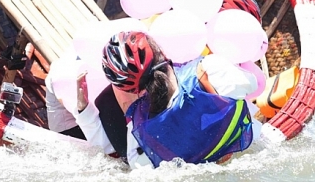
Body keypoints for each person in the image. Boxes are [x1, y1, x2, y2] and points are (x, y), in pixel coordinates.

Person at [73, 31, 258, 169]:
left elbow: (112, 153)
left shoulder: (140, 132)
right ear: (160, 50)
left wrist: (84, 110)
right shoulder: (208, 70)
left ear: (130, 89)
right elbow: (252, 84)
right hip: (252, 155)